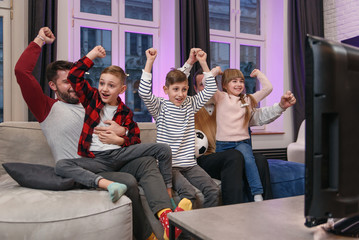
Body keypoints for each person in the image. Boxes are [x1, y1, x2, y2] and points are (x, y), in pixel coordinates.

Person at [14, 27, 172, 240]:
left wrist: (122, 133)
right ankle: (145, 235)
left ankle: (170, 215)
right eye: (65, 82)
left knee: (146, 161)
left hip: (110, 160)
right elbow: (21, 73)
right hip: (82, 170)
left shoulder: (94, 104)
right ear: (52, 86)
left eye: (74, 82)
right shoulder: (46, 107)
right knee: (128, 180)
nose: (72, 87)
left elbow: (126, 138)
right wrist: (40, 39)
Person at [54, 45, 173, 202]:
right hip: (96, 160)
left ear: (122, 89)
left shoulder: (125, 112)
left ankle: (169, 195)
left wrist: (122, 136)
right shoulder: (91, 99)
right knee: (61, 165)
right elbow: (74, 76)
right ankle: (108, 184)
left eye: (111, 85)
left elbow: (136, 139)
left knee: (163, 149)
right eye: (102, 83)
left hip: (120, 156)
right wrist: (93, 54)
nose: (104, 89)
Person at [193, 68, 297, 204]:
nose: (207, 88)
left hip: (236, 153)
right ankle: (233, 210)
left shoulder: (239, 103)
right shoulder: (193, 107)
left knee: (259, 160)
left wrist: (281, 106)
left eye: (240, 81)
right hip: (208, 159)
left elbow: (258, 115)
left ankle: (264, 206)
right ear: (195, 89)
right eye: (202, 85)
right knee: (234, 156)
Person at [139, 48, 220, 209]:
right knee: (189, 193)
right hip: (169, 166)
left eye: (184, 89)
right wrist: (149, 62)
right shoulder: (160, 107)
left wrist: (202, 62)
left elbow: (210, 88)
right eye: (175, 89)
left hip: (190, 164)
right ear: (165, 90)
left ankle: (205, 228)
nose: (180, 94)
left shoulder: (191, 103)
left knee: (213, 190)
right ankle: (182, 232)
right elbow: (144, 92)